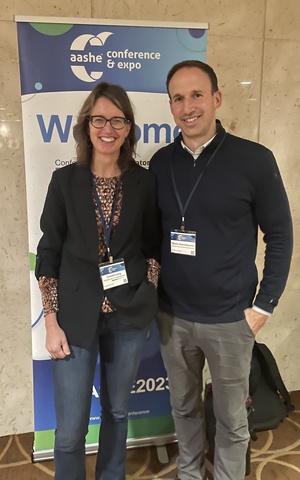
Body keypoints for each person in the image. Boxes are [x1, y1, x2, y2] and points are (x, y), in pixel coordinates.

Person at [149, 60, 293, 480]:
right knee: (184, 408)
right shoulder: (160, 164)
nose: (188, 106)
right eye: (178, 98)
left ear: (216, 98)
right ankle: (191, 473)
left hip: (232, 319)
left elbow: (280, 236)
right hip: (172, 316)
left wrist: (263, 306)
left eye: (197, 95)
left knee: (232, 420)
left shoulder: (254, 159)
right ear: (170, 106)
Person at [35, 81, 161, 480]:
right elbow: (49, 253)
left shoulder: (144, 182)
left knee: (118, 413)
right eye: (100, 119)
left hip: (128, 316)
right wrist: (51, 320)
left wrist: (149, 289)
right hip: (73, 318)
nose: (108, 128)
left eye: (118, 120)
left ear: (128, 128)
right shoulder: (65, 182)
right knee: (70, 431)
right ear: (86, 125)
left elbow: (153, 246)